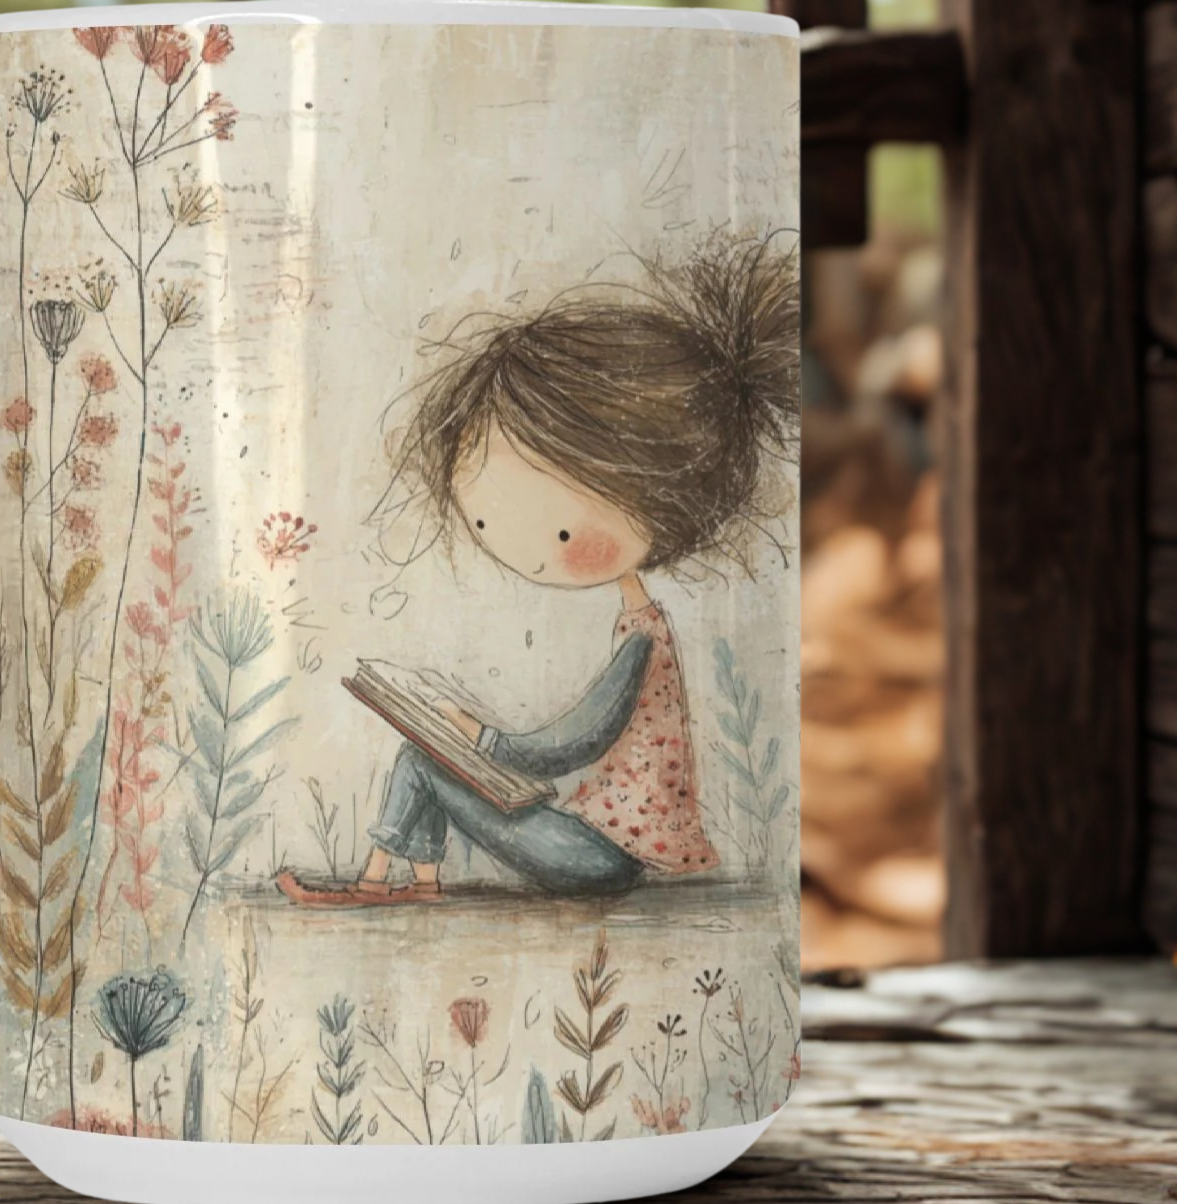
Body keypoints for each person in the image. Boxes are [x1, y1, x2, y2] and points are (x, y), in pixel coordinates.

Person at [276, 230, 798, 907]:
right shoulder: (636, 623)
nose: (526, 550)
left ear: (658, 500)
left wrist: (482, 737)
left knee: (428, 761)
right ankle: (408, 882)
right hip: (585, 836)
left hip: (603, 856)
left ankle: (386, 881)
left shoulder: (643, 636)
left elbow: (575, 743)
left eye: (558, 529)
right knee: (421, 754)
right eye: (488, 523)